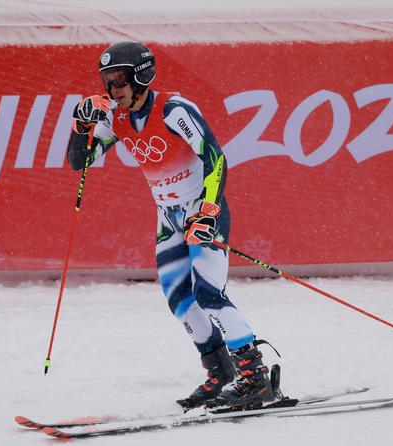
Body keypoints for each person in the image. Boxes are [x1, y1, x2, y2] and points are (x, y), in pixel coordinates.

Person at [66, 41, 284, 409]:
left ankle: (256, 379)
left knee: (209, 293)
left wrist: (207, 210)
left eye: (119, 79)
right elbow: (80, 161)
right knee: (179, 299)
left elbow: (215, 158)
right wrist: (80, 124)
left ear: (141, 76)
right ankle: (221, 371)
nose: (112, 88)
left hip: (201, 211)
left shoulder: (174, 110)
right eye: (107, 80)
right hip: (168, 219)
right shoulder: (116, 118)